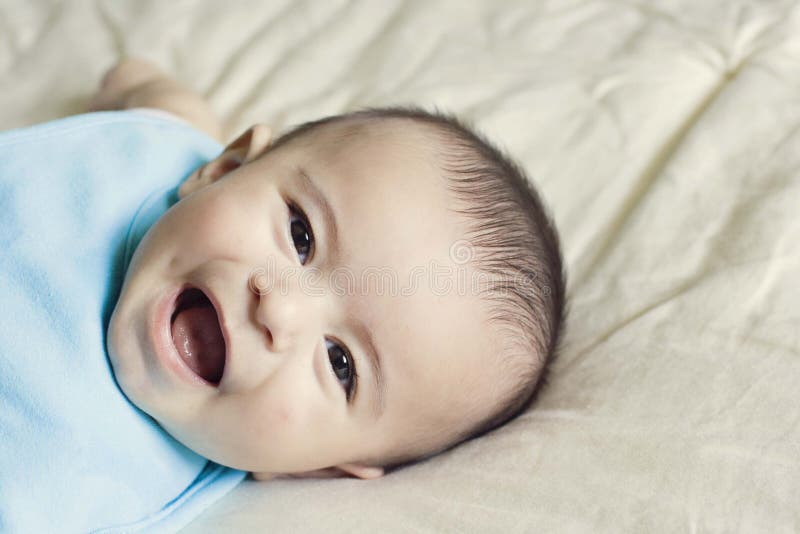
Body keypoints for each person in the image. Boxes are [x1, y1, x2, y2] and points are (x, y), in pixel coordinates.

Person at [0, 59, 566, 531]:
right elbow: (177, 118)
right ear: (224, 168)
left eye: (340, 363)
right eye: (301, 236)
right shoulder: (157, 158)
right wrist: (143, 86)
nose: (279, 309)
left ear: (318, 470)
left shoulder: (78, 482)